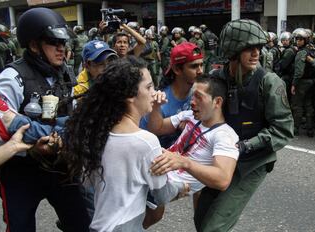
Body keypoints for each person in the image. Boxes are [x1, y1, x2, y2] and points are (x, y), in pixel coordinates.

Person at [0, 8, 91, 231]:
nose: (62, 48)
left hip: (59, 164)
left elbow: (73, 108)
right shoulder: (12, 78)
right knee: (20, 227)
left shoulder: (65, 72)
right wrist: (29, 148)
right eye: (53, 42)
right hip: (20, 170)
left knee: (81, 223)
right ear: (33, 45)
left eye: (63, 43)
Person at [61, 56, 187, 231]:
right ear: (129, 95)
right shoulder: (146, 141)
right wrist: (182, 186)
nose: (154, 92)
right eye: (149, 87)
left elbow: (90, 183)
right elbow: (162, 195)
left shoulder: (97, 133)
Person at [193, 19, 293, 231]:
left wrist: (246, 146)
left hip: (251, 162)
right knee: (201, 219)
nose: (255, 53)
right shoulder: (217, 79)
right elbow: (200, 112)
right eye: (248, 48)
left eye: (258, 47)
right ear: (232, 51)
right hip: (222, 156)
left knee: (214, 226)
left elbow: (283, 130)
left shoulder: (269, 82)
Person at [143, 75, 239, 228]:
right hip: (155, 172)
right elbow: (157, 128)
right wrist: (156, 107)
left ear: (218, 102)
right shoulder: (190, 116)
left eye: (199, 97)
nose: (192, 102)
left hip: (163, 183)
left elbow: (223, 180)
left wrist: (184, 162)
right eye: (192, 95)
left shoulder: (225, 135)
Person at [140, 42, 204, 148]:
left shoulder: (199, 95)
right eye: (194, 66)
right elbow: (143, 140)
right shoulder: (158, 102)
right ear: (177, 69)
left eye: (202, 65)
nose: (200, 71)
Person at [291, 28, 315, 137]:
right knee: (309, 105)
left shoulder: (302, 52)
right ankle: (310, 129)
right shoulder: (313, 50)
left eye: (301, 40)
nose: (298, 42)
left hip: (302, 82)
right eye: (297, 39)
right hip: (312, 82)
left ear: (306, 40)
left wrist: (293, 84)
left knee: (297, 105)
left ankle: (295, 128)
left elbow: (299, 72)